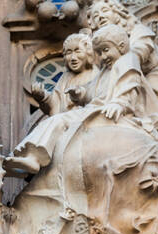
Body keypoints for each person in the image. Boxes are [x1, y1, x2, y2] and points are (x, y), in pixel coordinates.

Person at [86, 0, 158, 138]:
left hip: (157, 77)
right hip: (128, 83)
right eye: (95, 15)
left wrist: (120, 100)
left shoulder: (136, 31)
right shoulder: (100, 51)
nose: (100, 16)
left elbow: (138, 52)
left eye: (105, 11)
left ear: (117, 13)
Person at [6, 33, 97, 178]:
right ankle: (23, 160)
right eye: (68, 53)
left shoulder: (95, 74)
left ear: (89, 52)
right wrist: (43, 96)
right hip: (64, 121)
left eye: (77, 51)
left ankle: (32, 160)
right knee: (47, 123)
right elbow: (56, 102)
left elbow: (99, 99)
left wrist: (80, 95)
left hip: (84, 121)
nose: (72, 58)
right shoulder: (66, 77)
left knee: (54, 122)